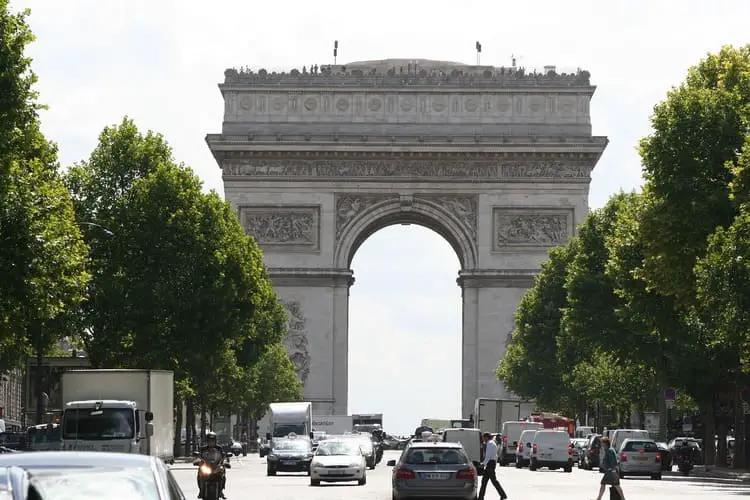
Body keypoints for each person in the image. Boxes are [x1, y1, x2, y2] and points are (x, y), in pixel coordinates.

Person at [196, 431, 227, 499]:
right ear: (207, 441)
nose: (211, 442)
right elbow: (199, 457)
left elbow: (223, 457)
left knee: (223, 472)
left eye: (213, 441)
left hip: (216, 466)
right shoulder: (203, 449)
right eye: (210, 441)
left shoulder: (219, 448)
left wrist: (225, 462)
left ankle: (221, 490)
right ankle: (201, 490)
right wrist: (198, 461)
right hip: (207, 466)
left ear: (215, 441)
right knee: (200, 472)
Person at [478, 432, 507, 500]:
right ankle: (503, 495)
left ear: (486, 437)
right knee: (494, 481)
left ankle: (481, 497)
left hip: (490, 464)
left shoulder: (490, 444)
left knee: (484, 481)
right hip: (492, 463)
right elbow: (495, 456)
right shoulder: (492, 443)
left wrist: (483, 464)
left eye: (483, 437)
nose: (483, 439)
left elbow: (488, 455)